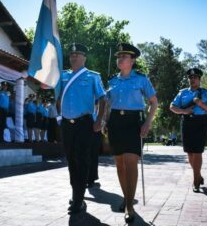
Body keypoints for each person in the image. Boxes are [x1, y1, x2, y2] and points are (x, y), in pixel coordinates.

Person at [106, 43, 158, 223]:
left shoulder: (141, 79)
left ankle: (129, 205)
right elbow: (106, 103)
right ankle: (126, 198)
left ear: (133, 60)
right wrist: (104, 121)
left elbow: (153, 102)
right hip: (115, 123)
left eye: (124, 56)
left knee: (130, 163)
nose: (120, 59)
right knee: (119, 164)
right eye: (119, 56)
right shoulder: (112, 80)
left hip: (133, 123)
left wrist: (147, 123)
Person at [60, 43, 106, 214]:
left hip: (84, 123)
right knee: (71, 160)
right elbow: (50, 89)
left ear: (84, 58)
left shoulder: (93, 77)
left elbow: (103, 99)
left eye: (78, 54)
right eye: (72, 54)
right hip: (66, 124)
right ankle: (76, 194)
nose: (73, 56)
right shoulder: (62, 75)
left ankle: (78, 199)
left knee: (82, 160)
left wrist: (99, 120)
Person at [169, 68, 207, 192]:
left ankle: (195, 182)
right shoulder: (183, 93)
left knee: (197, 152)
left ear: (200, 79)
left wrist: (201, 104)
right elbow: (172, 107)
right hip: (187, 122)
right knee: (190, 153)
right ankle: (199, 175)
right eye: (190, 78)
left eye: (195, 77)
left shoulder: (206, 93)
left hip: (201, 122)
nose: (192, 80)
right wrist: (184, 111)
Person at [87, 100, 103, 188]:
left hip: (95, 137)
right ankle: (89, 179)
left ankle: (91, 178)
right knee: (90, 158)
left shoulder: (97, 115)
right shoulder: (90, 114)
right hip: (90, 137)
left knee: (93, 158)